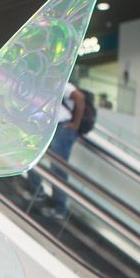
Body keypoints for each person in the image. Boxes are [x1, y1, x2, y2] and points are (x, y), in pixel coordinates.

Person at [27, 81, 85, 220]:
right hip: (47, 126)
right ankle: (37, 192)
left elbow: (79, 97)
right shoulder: (39, 83)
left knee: (58, 167)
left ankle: (60, 207)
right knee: (32, 156)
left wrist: (75, 124)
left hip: (62, 127)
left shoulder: (58, 81)